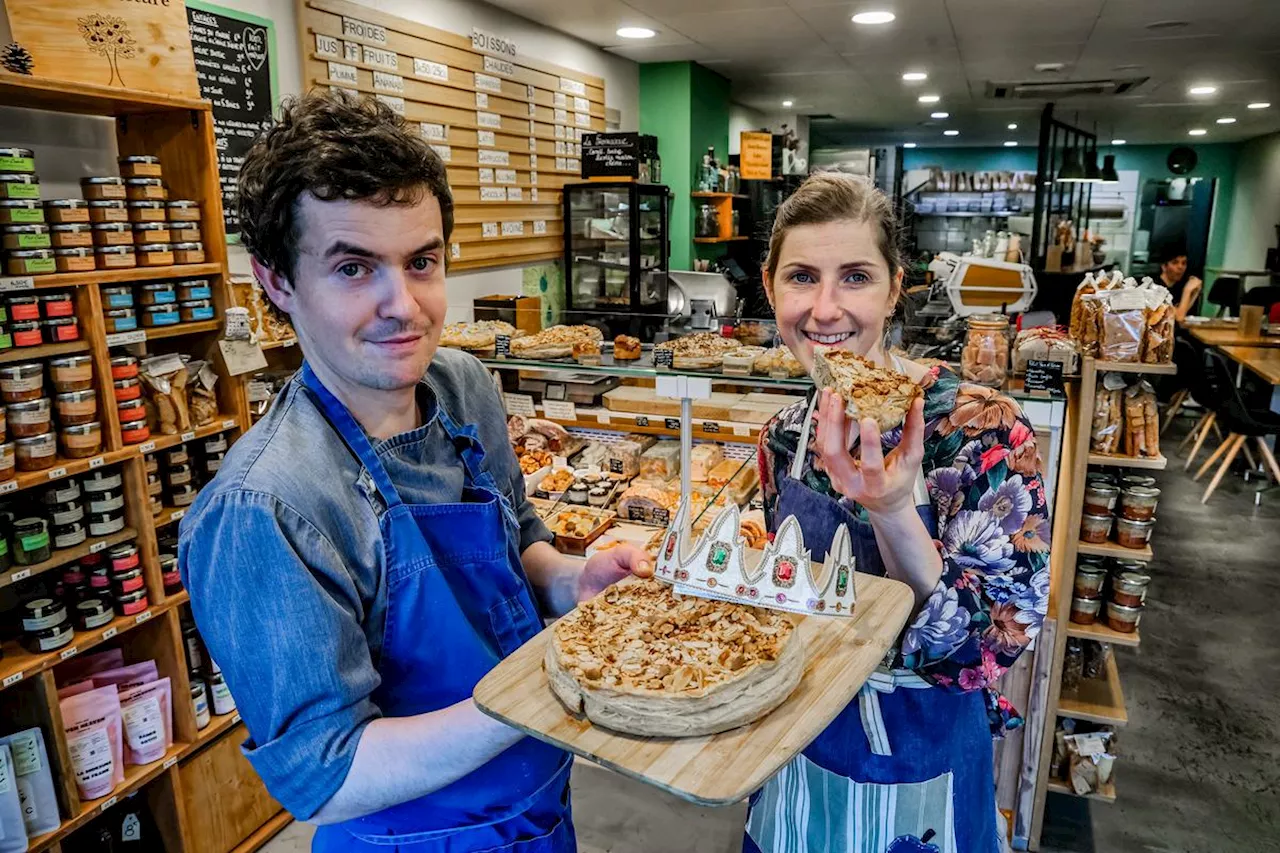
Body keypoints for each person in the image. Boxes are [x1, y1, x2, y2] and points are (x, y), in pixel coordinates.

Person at [178, 90, 651, 852]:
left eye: (421, 261)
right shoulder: (266, 506)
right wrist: (533, 696)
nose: (404, 305)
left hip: (541, 811)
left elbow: (517, 539)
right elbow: (324, 774)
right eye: (354, 267)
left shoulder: (462, 384)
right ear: (277, 283)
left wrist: (571, 580)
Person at [743, 173, 1049, 853]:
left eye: (854, 276)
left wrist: (890, 508)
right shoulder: (784, 438)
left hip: (921, 766)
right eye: (801, 277)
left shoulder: (984, 430)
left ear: (893, 288)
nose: (825, 309)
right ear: (771, 289)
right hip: (794, 752)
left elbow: (991, 649)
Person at [1158, 249, 1203, 322]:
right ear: (1164, 267)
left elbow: (1182, 311)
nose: (1180, 267)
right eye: (1175, 263)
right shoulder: (1155, 288)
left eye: (1184, 263)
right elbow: (1179, 317)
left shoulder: (1176, 287)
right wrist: (1187, 291)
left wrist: (1195, 292)